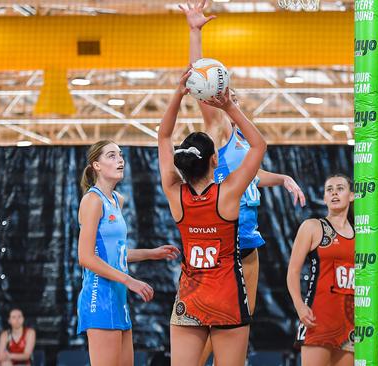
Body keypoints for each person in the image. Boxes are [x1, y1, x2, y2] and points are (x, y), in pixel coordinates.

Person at [179, 2, 306, 363]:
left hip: (248, 245)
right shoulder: (217, 128)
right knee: (212, 330)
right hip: (221, 244)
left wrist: (282, 179)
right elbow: (196, 76)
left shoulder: (238, 138)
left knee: (238, 328)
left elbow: (250, 177)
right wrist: (195, 32)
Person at [158, 67, 267, 366]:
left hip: (190, 298)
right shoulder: (228, 194)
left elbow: (164, 135)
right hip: (227, 297)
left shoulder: (175, 194)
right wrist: (229, 106)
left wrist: (178, 94)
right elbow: (259, 146)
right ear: (215, 161)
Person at [77, 140, 180, 366]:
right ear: (96, 165)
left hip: (118, 295)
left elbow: (113, 253)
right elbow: (85, 257)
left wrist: (151, 253)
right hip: (99, 295)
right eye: (112, 156)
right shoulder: (92, 201)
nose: (120, 160)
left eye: (121, 155)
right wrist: (130, 280)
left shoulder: (117, 199)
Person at [287, 174, 378, 366]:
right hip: (319, 318)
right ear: (324, 198)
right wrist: (299, 306)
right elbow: (293, 271)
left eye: (340, 188)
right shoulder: (312, 227)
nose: (334, 192)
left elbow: (367, 271)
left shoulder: (363, 235)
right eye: (329, 189)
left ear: (352, 196)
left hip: (350, 322)